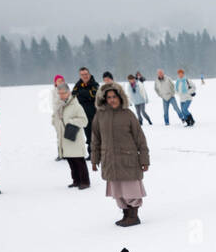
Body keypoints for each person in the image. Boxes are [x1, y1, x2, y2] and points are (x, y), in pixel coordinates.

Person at [90, 81, 149, 227]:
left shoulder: (128, 114)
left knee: (131, 189)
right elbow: (95, 139)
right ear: (104, 99)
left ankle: (134, 216)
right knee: (117, 190)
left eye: (114, 97)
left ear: (120, 97)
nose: (112, 100)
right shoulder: (100, 116)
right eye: (109, 97)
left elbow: (140, 138)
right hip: (110, 160)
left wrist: (144, 159)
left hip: (128, 159)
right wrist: (94, 159)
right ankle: (126, 215)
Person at [52, 81, 90, 190]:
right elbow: (55, 118)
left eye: (63, 93)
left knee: (79, 160)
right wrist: (55, 123)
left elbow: (84, 121)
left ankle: (85, 181)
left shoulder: (76, 105)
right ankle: (76, 180)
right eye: (59, 93)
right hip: (63, 137)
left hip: (74, 137)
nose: (61, 95)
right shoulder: (59, 105)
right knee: (70, 160)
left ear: (68, 92)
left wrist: (71, 122)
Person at [72, 67, 99, 156]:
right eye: (82, 75)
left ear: (89, 74)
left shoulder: (95, 84)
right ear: (80, 76)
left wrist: (82, 93)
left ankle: (99, 153)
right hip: (83, 115)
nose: (85, 76)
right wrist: (86, 95)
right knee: (88, 135)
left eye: (86, 74)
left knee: (96, 134)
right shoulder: (77, 85)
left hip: (95, 114)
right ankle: (91, 154)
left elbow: (93, 96)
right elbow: (73, 96)